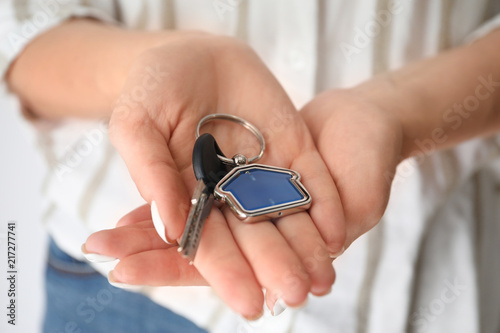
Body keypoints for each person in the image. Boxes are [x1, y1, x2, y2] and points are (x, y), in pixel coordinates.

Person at [2, 0, 500, 332]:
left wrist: (396, 111)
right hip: (129, 298)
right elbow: (21, 31)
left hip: (433, 293)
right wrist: (145, 65)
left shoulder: (245, 181)